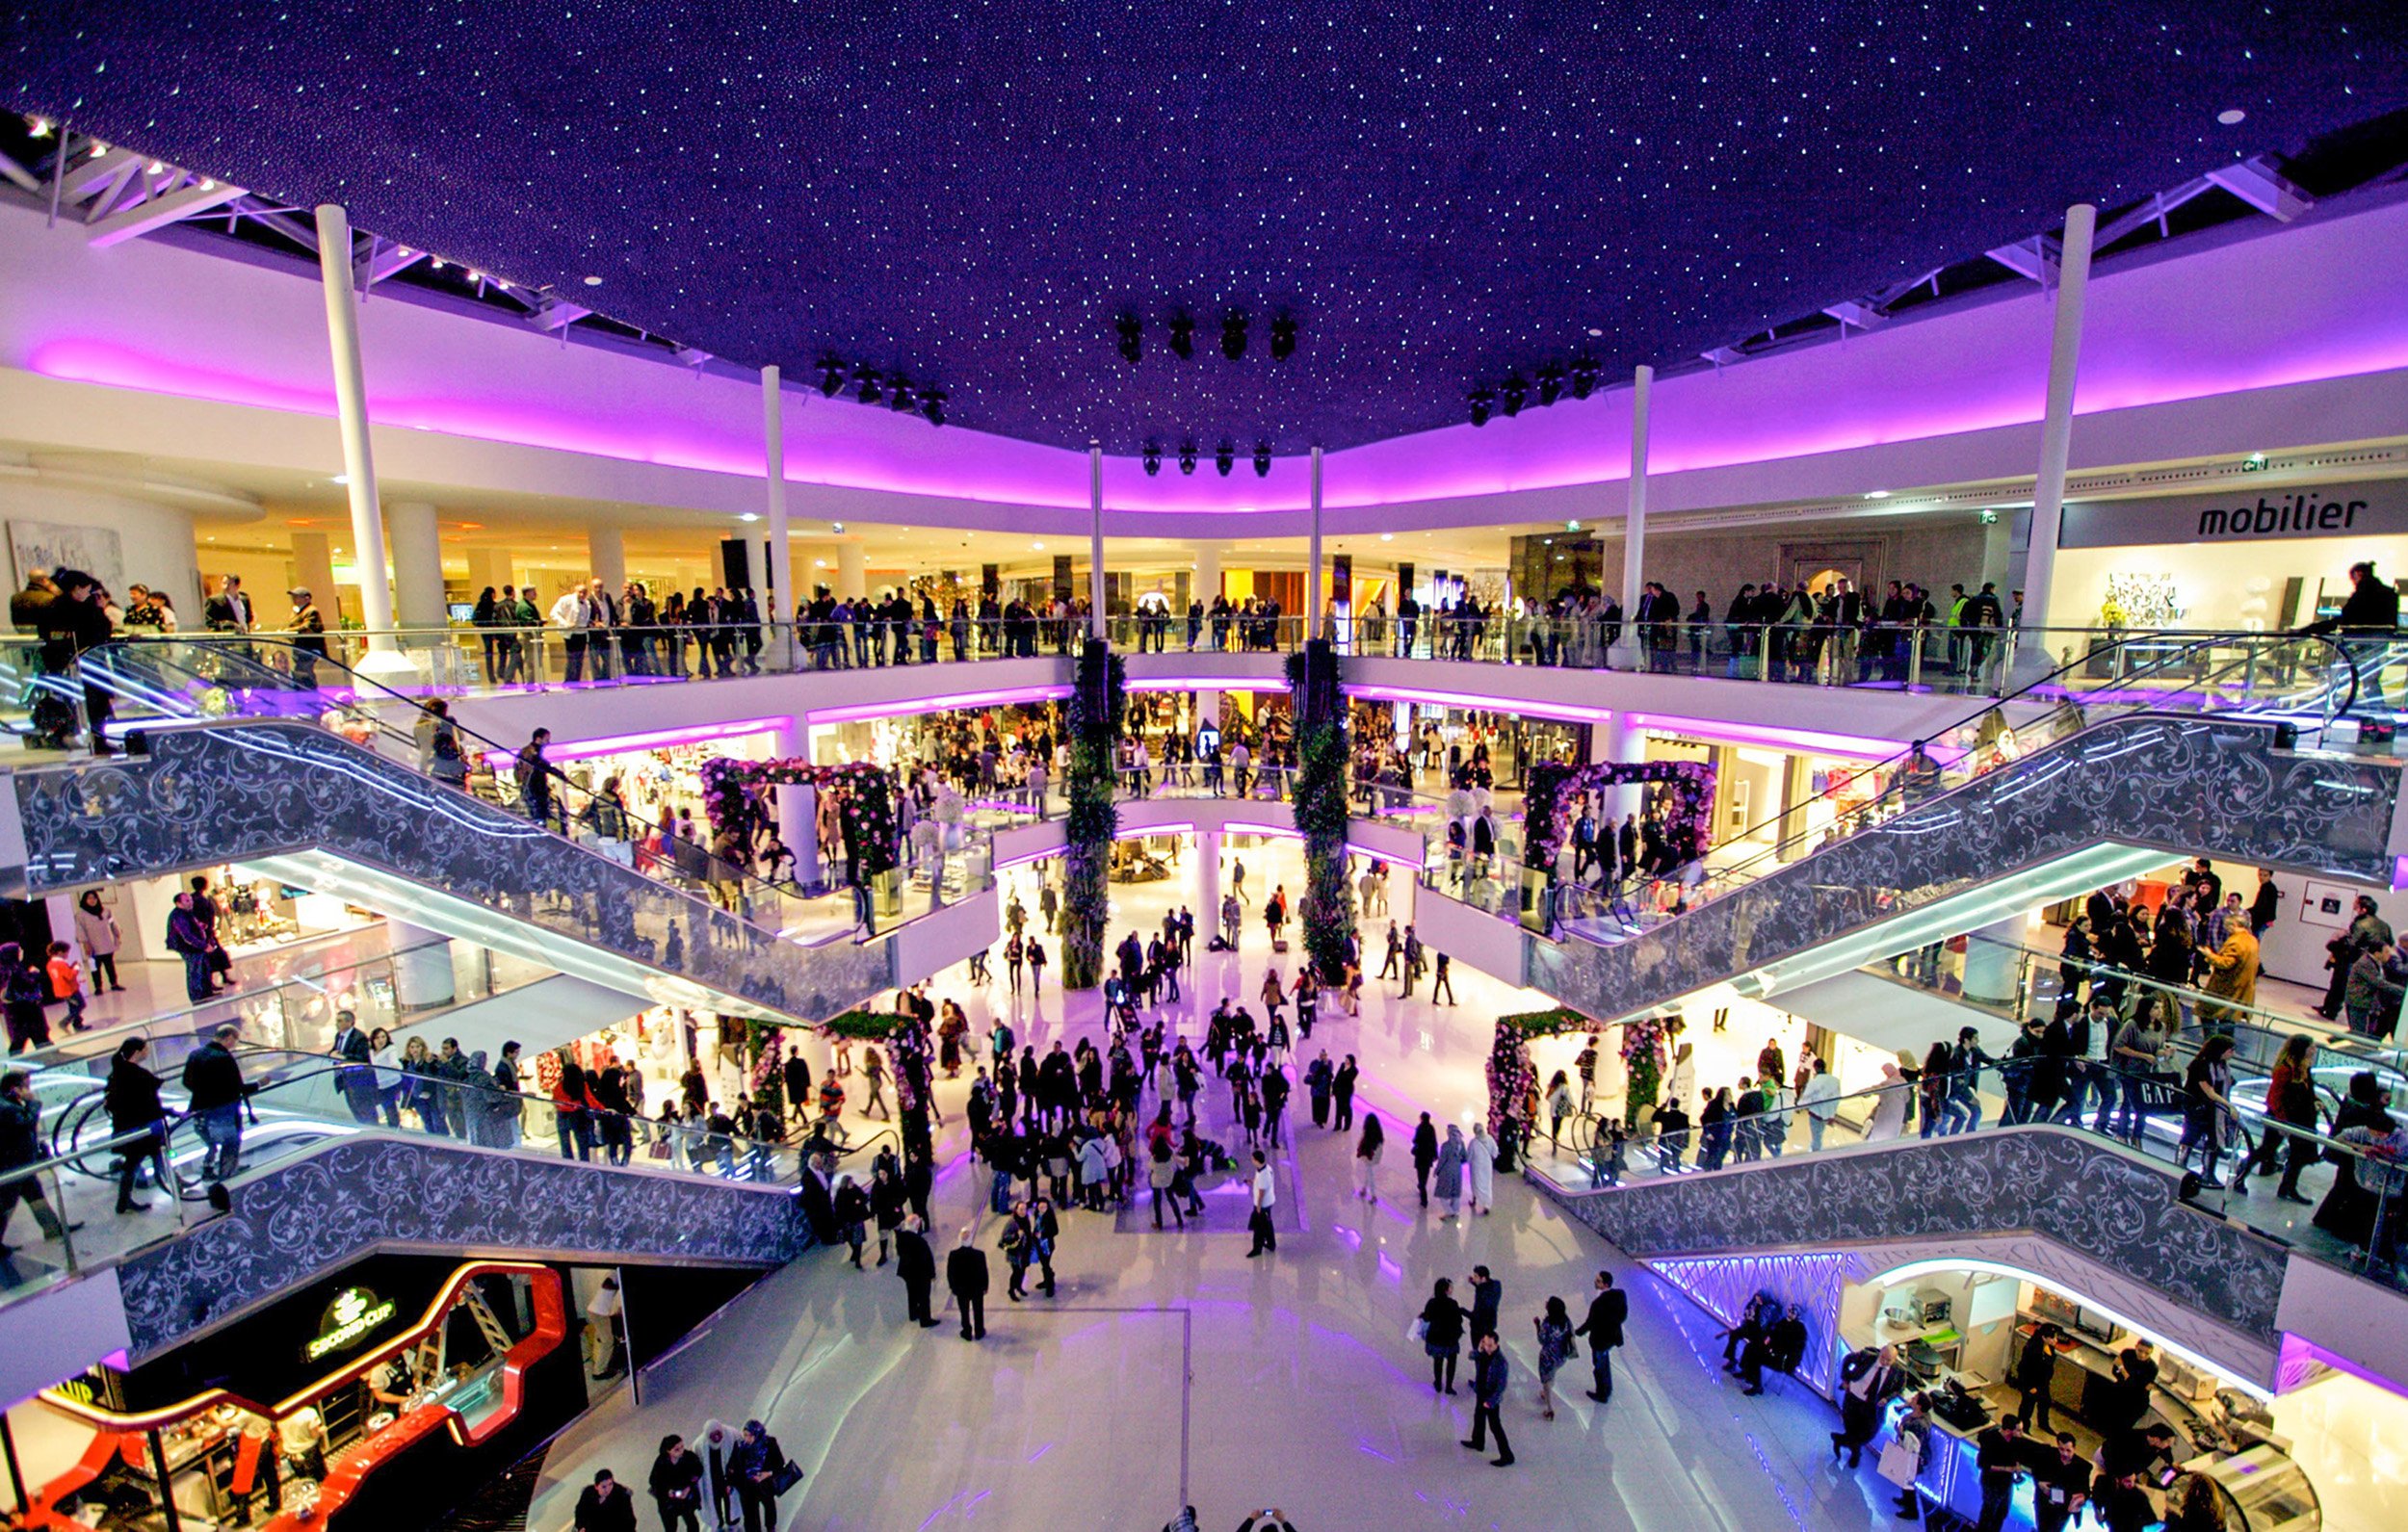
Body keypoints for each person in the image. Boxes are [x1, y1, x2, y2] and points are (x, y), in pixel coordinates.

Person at [1, 1070, 79, 1250]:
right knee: (7, 1205)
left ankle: (52, 1228)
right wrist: (32, 1103)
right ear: (15, 1088)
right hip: (13, 1166)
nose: (29, 1090)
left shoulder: (9, 1104)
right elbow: (26, 1122)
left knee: (35, 1194)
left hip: (21, 1164)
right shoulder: (6, 1108)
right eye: (26, 1086)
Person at [106, 1036, 173, 1214]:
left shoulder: (118, 1073)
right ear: (137, 1052)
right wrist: (166, 1112)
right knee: (145, 1159)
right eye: (145, 1049)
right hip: (142, 1129)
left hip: (129, 1128)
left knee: (135, 1162)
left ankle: (124, 1200)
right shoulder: (138, 1075)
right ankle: (174, 1185)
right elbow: (148, 1100)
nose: (148, 1052)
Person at [181, 1024, 251, 1181]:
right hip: (224, 1110)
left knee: (211, 1143)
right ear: (229, 1038)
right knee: (230, 1141)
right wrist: (259, 1084)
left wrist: (203, 1093)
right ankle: (228, 1173)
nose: (235, 1044)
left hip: (200, 1109)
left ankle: (209, 1170)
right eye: (236, 1040)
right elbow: (237, 1086)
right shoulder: (224, 1058)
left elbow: (186, 1081)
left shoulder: (195, 1054)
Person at [1832, 1343, 1904, 1467]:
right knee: (1851, 1429)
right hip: (1854, 1399)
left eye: (1888, 1360)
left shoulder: (1899, 1371)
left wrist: (1887, 1399)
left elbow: (1899, 1389)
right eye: (1882, 1358)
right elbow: (1847, 1359)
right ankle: (1855, 1454)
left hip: (1873, 1406)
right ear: (1880, 1353)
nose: (1884, 1362)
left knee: (1869, 1433)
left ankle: (1840, 1440)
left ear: (1894, 1360)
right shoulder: (1867, 1357)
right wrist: (1845, 1379)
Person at [725, 1419, 791, 1532]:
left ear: (758, 1434)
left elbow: (779, 1463)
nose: (747, 1439)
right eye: (745, 1435)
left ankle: (770, 1526)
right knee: (750, 1516)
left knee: (769, 1506)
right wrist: (730, 1482)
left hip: (764, 1485)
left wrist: (767, 1474)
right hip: (747, 1487)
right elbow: (732, 1464)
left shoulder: (769, 1444)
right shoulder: (740, 1446)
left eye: (750, 1436)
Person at [1462, 1332, 1515, 1467]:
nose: (1488, 1347)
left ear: (1496, 1344)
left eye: (1490, 1345)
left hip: (1490, 1397)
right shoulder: (1483, 1354)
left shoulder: (1501, 1362)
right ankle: (1477, 1442)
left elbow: (1501, 1386)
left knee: (1495, 1426)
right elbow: (1471, 1356)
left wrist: (1491, 1401)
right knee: (1478, 1417)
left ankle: (1507, 1455)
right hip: (1481, 1392)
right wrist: (1479, 1349)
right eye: (1485, 1344)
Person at [1574, 1269, 1627, 1402]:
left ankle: (1602, 1394)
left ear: (1605, 1284)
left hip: (1600, 1340)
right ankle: (1608, 1388)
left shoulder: (1597, 1304)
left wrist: (1577, 1332)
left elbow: (1590, 1323)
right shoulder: (1620, 1295)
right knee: (1604, 1363)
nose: (1595, 1282)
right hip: (1612, 1337)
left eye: (1598, 1281)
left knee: (1599, 1367)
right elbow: (1623, 1315)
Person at [1973, 1414, 2028, 1532]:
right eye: (2019, 1430)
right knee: (1988, 1515)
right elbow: (1982, 1464)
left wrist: (2017, 1464)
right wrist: (2006, 1469)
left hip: (2006, 1483)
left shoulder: (2015, 1441)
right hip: (1991, 1483)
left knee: (2002, 1513)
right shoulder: (1991, 1440)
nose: (2021, 1434)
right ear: (2008, 1431)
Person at [2030, 1432, 2089, 1532]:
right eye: (2061, 1449)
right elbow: (2036, 1470)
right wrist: (2039, 1483)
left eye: (2068, 1450)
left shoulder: (2082, 1467)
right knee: (2041, 1527)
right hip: (2044, 1503)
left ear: (2074, 1449)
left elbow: (2086, 1491)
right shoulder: (2048, 1455)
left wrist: (2080, 1499)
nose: (2065, 1453)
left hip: (2063, 1508)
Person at [1419, 1277, 1468, 1393]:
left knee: (1438, 1362)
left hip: (1436, 1338)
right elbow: (1459, 1320)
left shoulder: (1432, 1303)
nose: (1452, 1289)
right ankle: (1449, 1387)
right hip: (1450, 1339)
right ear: (1446, 1290)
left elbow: (1427, 1317)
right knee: (1451, 1363)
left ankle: (1438, 1383)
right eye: (1450, 1287)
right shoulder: (1453, 1303)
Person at [648, 1436, 706, 1532]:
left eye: (682, 1447)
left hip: (685, 1498)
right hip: (668, 1502)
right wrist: (667, 1492)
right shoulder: (661, 1462)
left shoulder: (689, 1457)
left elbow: (698, 1470)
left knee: (692, 1523)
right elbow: (654, 1481)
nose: (681, 1451)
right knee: (671, 1526)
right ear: (668, 1451)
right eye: (677, 1449)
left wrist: (688, 1487)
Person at [73, 891, 124, 994]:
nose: (92, 900)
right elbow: (80, 930)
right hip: (93, 946)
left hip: (107, 943)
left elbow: (112, 923)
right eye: (89, 898)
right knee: (95, 967)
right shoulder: (80, 915)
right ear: (85, 900)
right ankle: (98, 987)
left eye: (94, 898)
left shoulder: (106, 911)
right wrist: (85, 944)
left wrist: (117, 934)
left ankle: (114, 984)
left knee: (110, 965)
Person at [2014, 1324, 2063, 1431]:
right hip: (2031, 1383)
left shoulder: (2049, 1347)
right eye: (2052, 1338)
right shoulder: (2032, 1350)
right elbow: (2024, 1369)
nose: (2056, 1340)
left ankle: (2043, 1424)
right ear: (2044, 1338)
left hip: (2042, 1383)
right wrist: (2030, 1386)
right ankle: (2023, 1427)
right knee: (2027, 1406)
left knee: (2045, 1402)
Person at [895, 1212, 939, 1327]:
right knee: (924, 1297)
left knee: (912, 1293)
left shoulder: (901, 1238)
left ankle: (913, 1313)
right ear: (918, 1225)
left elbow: (900, 1253)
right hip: (920, 1274)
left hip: (907, 1271)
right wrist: (932, 1274)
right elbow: (927, 1259)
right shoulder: (920, 1242)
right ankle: (925, 1320)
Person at [948, 1224, 990, 1340]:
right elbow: (984, 1272)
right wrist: (985, 1286)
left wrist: (953, 1287)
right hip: (977, 1289)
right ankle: (979, 1331)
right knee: (978, 1310)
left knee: (964, 1311)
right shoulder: (979, 1254)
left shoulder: (954, 1255)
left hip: (961, 1290)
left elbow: (950, 1273)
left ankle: (966, 1331)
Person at [573, 1468, 639, 1532]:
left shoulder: (621, 1496)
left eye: (610, 1484)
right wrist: (581, 1526)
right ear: (596, 1487)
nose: (608, 1490)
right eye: (604, 1487)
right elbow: (580, 1511)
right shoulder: (588, 1494)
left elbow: (629, 1521)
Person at [1246, 1148, 1278, 1257]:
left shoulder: (1264, 1174)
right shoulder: (1265, 1168)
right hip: (1268, 1202)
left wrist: (1258, 1207)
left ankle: (1257, 1249)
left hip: (1263, 1205)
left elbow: (1261, 1193)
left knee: (1258, 1227)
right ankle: (1271, 1244)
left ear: (1256, 1160)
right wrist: (1252, 1181)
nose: (1251, 1160)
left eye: (1252, 1159)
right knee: (1267, 1224)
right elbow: (1259, 1181)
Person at [1432, 1123, 1467, 1218]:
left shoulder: (1446, 1145)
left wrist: (1436, 1171)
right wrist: (1458, 1161)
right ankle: (1455, 1210)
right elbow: (1465, 1157)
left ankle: (1449, 1211)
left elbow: (1442, 1160)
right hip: (1457, 1170)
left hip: (1446, 1171)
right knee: (1456, 1191)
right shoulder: (1461, 1144)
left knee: (1442, 1193)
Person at [1410, 1111, 1439, 1207]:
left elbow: (1416, 1140)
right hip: (1428, 1156)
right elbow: (1434, 1142)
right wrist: (1435, 1154)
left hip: (1420, 1156)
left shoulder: (1420, 1128)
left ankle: (1423, 1197)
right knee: (1425, 1174)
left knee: (1420, 1175)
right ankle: (1422, 1186)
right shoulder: (1431, 1128)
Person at [1353, 1112, 1383, 1201]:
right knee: (1368, 1171)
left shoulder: (1367, 1133)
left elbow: (1363, 1143)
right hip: (1376, 1154)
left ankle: (1373, 1195)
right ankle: (1364, 1189)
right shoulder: (1378, 1131)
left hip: (1369, 1155)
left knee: (1370, 1173)